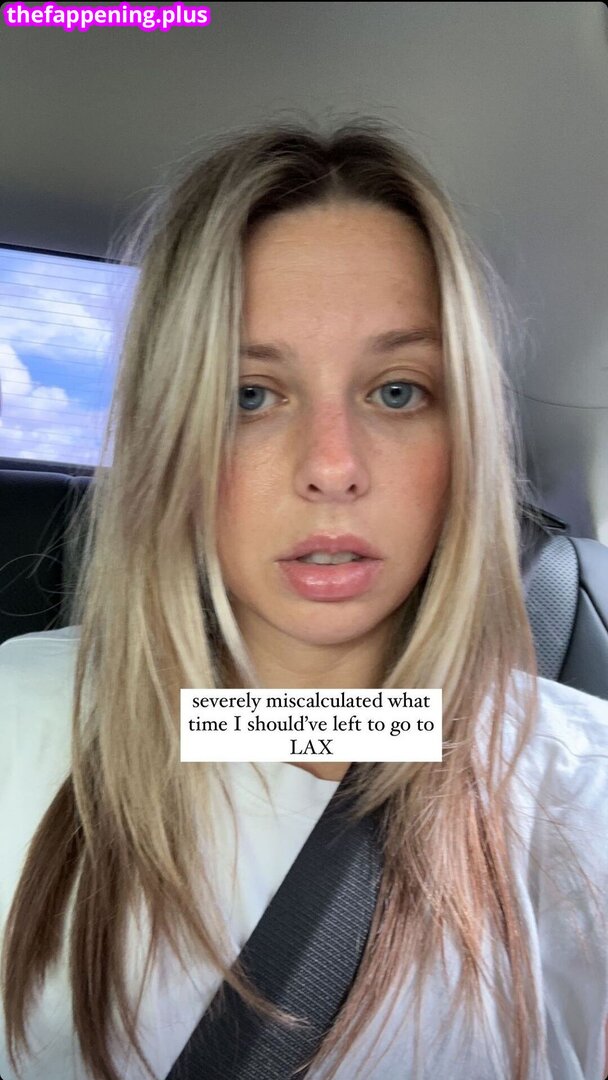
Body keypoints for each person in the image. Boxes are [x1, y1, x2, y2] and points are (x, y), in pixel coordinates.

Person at [0, 118, 607, 1080]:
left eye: (397, 392)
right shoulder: (19, 719)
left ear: (467, 443)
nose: (331, 466)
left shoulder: (584, 792)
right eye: (250, 394)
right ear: (171, 441)